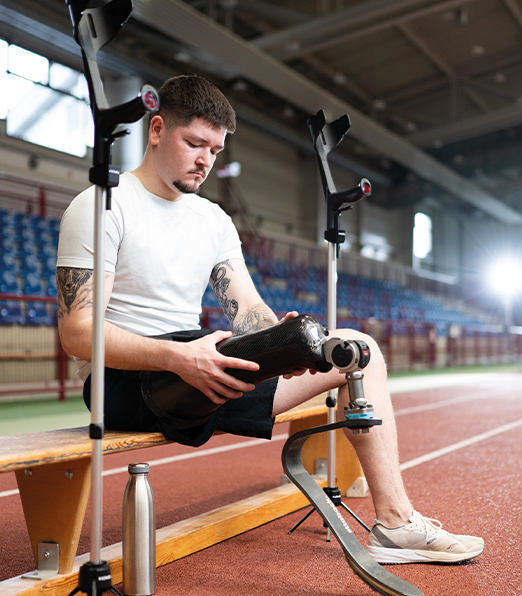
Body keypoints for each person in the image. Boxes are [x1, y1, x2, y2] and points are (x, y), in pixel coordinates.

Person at [56, 75, 483, 565]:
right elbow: (77, 333)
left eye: (215, 150)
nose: (205, 160)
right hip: (126, 380)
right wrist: (178, 356)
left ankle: (394, 524)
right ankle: (399, 524)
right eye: (194, 143)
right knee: (255, 350)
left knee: (354, 350)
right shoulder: (101, 205)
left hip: (198, 362)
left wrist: (284, 342)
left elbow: (248, 313)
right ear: (156, 130)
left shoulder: (213, 220)